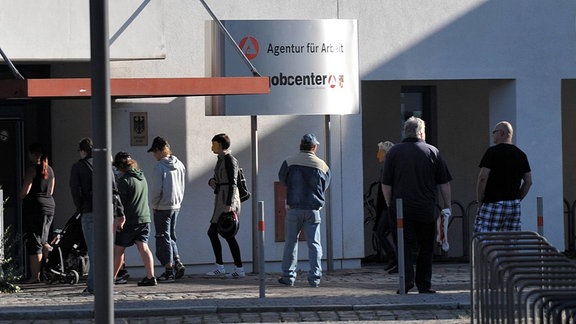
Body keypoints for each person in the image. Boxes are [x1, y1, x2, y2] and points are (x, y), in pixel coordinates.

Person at [381, 117, 452, 294]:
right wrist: (447, 205)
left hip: (400, 209)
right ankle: (424, 284)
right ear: (421, 132)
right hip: (426, 208)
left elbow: (386, 183)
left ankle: (406, 281)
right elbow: (444, 183)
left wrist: (389, 204)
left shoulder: (394, 152)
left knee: (403, 244)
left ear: (406, 132)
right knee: (426, 247)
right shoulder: (433, 151)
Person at [70, 137, 124, 294]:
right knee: (105, 250)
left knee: (93, 250)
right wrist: (120, 213)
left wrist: (81, 208)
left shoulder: (78, 167)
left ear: (83, 151)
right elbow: (115, 190)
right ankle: (106, 284)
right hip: (108, 211)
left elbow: (75, 192)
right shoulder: (106, 166)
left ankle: (94, 286)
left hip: (90, 211)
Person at [277, 133, 331, 288]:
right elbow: (325, 185)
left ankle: (288, 277)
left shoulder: (289, 162)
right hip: (313, 209)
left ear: (300, 146)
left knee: (290, 243)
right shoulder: (322, 165)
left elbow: (282, 179)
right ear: (314, 147)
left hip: (294, 209)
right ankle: (315, 278)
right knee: (314, 244)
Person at [474, 121, 532, 233]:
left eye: (494, 132)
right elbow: (528, 181)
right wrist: (517, 198)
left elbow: (482, 178)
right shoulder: (520, 154)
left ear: (501, 133)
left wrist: (480, 200)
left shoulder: (492, 152)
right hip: (513, 206)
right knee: (510, 241)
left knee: (484, 240)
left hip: (493, 203)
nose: (493, 135)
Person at [112, 152, 157, 286]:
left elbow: (120, 203)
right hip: (144, 218)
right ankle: (151, 276)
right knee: (143, 247)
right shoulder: (141, 177)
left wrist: (117, 219)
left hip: (129, 220)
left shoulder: (124, 181)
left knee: (119, 250)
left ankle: (111, 278)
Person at [205, 133, 245, 278]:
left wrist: (229, 204)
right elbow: (220, 179)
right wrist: (212, 181)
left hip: (227, 201)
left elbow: (233, 182)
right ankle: (226, 267)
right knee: (219, 233)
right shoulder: (221, 160)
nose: (212, 147)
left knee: (227, 233)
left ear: (220, 144)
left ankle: (236, 268)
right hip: (221, 199)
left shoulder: (229, 160)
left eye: (214, 144)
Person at [147, 136, 186, 282]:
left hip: (162, 206)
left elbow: (157, 190)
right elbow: (182, 185)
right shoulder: (180, 164)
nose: (154, 155)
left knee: (163, 238)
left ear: (158, 150)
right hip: (176, 205)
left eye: (154, 152)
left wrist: (155, 205)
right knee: (171, 236)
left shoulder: (159, 167)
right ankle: (177, 261)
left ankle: (169, 270)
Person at [20, 143, 55, 284]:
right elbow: (51, 191)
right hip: (49, 206)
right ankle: (53, 266)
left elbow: (25, 191)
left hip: (34, 208)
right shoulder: (50, 170)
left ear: (33, 155)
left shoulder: (31, 170)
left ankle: (35, 276)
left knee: (35, 242)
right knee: (44, 240)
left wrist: (20, 195)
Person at [375, 141, 398, 274]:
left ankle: (394, 258)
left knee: (382, 232)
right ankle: (394, 258)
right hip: (387, 205)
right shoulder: (386, 167)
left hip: (389, 205)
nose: (378, 155)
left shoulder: (388, 167)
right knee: (383, 232)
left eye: (380, 152)